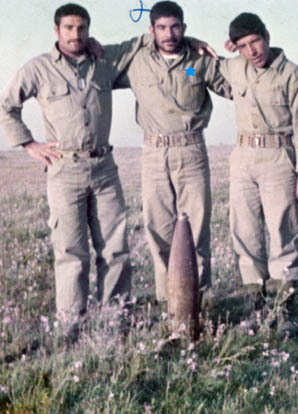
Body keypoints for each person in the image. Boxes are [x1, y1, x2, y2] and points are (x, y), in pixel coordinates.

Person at [0, 3, 149, 341]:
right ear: (56, 30)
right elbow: (6, 106)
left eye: (81, 28)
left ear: (89, 30)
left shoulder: (104, 62)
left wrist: (191, 41)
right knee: (71, 252)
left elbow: (146, 40)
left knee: (115, 249)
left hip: (104, 168)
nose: (75, 34)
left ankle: (115, 321)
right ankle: (71, 328)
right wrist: (29, 144)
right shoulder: (38, 68)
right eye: (68, 28)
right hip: (64, 169)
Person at [114, 1, 231, 308]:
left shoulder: (196, 63)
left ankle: (198, 305)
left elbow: (234, 84)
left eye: (175, 27)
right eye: (162, 28)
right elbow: (100, 67)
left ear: (184, 28)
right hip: (154, 153)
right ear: (151, 30)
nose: (169, 34)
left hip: (191, 151)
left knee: (196, 229)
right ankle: (170, 304)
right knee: (159, 230)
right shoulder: (136, 62)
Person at [219, 13, 298, 333]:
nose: (252, 51)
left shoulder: (293, 75)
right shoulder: (233, 68)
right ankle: (256, 310)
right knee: (245, 232)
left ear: (266, 36)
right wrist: (192, 46)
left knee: (283, 230)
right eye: (242, 46)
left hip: (278, 156)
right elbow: (195, 73)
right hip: (243, 156)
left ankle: (285, 311)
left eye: (255, 42)